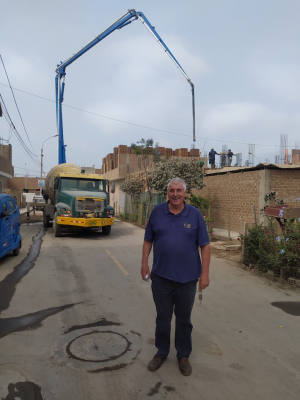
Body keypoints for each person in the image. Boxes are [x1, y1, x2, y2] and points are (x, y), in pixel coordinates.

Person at [141, 177, 211, 376]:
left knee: (183, 319)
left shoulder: (195, 215)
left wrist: (204, 274)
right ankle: (161, 352)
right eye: (172, 190)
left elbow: (205, 246)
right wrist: (144, 262)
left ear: (185, 193)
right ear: (167, 193)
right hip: (161, 277)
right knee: (162, 318)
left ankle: (183, 355)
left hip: (187, 279)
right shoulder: (157, 212)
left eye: (179, 190)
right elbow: (148, 240)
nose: (175, 194)